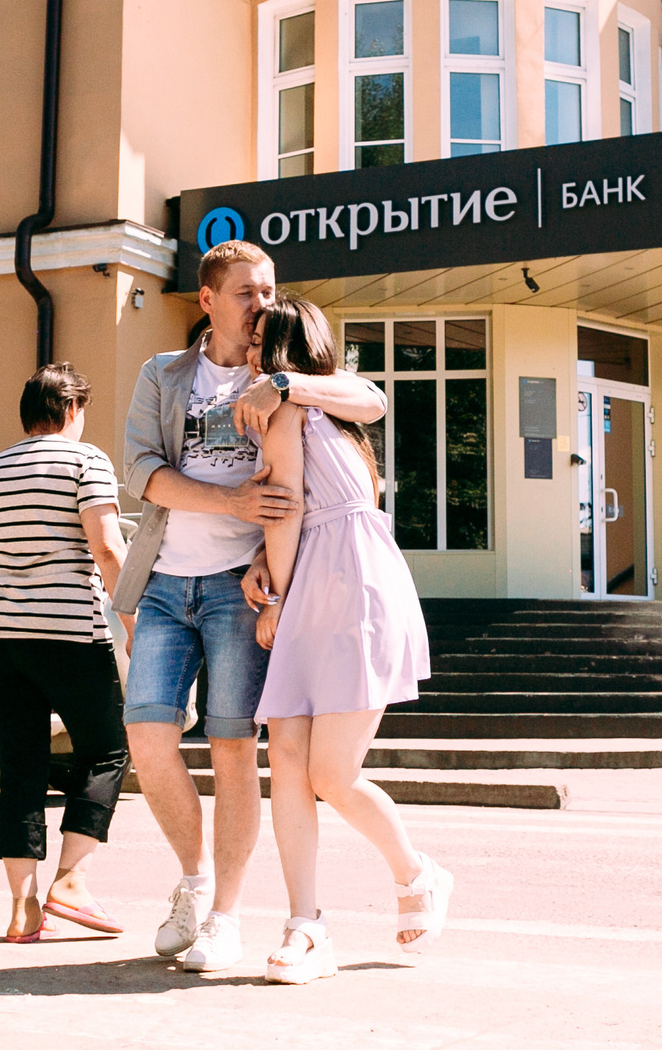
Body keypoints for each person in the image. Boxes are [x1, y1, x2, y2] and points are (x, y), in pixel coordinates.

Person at [115, 239, 386, 972]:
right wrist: (229, 498)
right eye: (246, 292)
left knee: (235, 751)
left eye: (268, 290)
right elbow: (142, 470)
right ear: (207, 300)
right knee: (148, 741)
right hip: (168, 582)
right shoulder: (164, 374)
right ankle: (194, 881)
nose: (262, 303)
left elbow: (373, 399)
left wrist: (291, 386)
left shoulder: (283, 371)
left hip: (242, 587)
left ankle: (226, 917)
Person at [247, 299, 450, 983]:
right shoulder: (318, 418)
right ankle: (305, 922)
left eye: (256, 343)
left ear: (278, 349)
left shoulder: (307, 406)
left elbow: (293, 511)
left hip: (344, 592)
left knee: (326, 773)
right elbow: (288, 510)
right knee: (293, 760)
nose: (246, 355)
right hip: (337, 586)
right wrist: (267, 575)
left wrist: (273, 593)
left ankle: (416, 872)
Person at [0, 363, 132, 943]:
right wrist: (132, 618)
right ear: (73, 412)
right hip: (68, 632)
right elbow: (108, 548)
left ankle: (21, 910)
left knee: (22, 764)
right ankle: (71, 879)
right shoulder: (87, 462)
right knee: (107, 748)